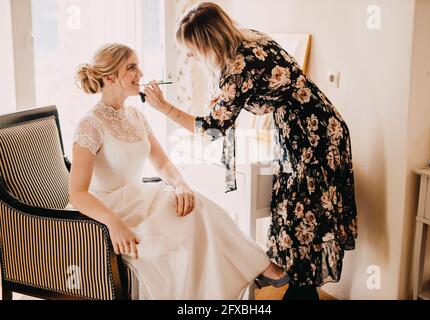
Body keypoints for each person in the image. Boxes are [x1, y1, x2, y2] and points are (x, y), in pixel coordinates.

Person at [143, 2, 358, 300]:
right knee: (297, 214)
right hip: (313, 124)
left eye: (192, 48)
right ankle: (297, 288)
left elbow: (212, 130)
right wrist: (228, 99)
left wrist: (164, 107)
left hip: (312, 135)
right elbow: (261, 90)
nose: (190, 56)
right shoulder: (250, 39)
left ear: (209, 41)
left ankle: (299, 292)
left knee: (303, 218)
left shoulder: (238, 68)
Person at [68, 43, 289, 300]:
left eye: (138, 65)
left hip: (138, 200)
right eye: (131, 67)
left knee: (194, 206)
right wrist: (113, 223)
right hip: (107, 211)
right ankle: (260, 266)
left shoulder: (136, 117)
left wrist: (181, 184)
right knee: (178, 239)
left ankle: (257, 266)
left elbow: (162, 163)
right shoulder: (90, 124)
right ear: (109, 77)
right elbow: (77, 193)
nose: (140, 73)